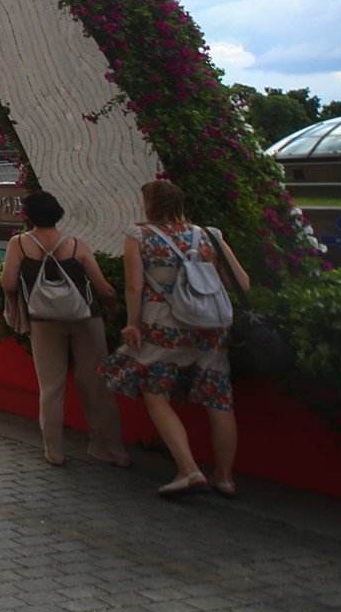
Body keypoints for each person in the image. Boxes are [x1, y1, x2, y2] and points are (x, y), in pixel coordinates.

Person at [102, 178, 249, 497]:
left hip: (164, 325)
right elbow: (242, 283)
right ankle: (224, 477)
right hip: (213, 326)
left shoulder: (139, 235)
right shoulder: (210, 235)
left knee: (154, 390)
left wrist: (133, 324)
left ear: (149, 206)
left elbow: (133, 287)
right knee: (218, 397)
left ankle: (189, 469)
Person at [0, 190, 127, 468]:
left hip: (43, 321)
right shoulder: (76, 245)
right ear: (57, 213)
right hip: (86, 318)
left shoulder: (19, 245)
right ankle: (110, 449)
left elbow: (8, 284)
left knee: (51, 387)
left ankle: (55, 452)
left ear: (29, 215)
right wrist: (114, 310)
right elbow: (103, 288)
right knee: (97, 384)